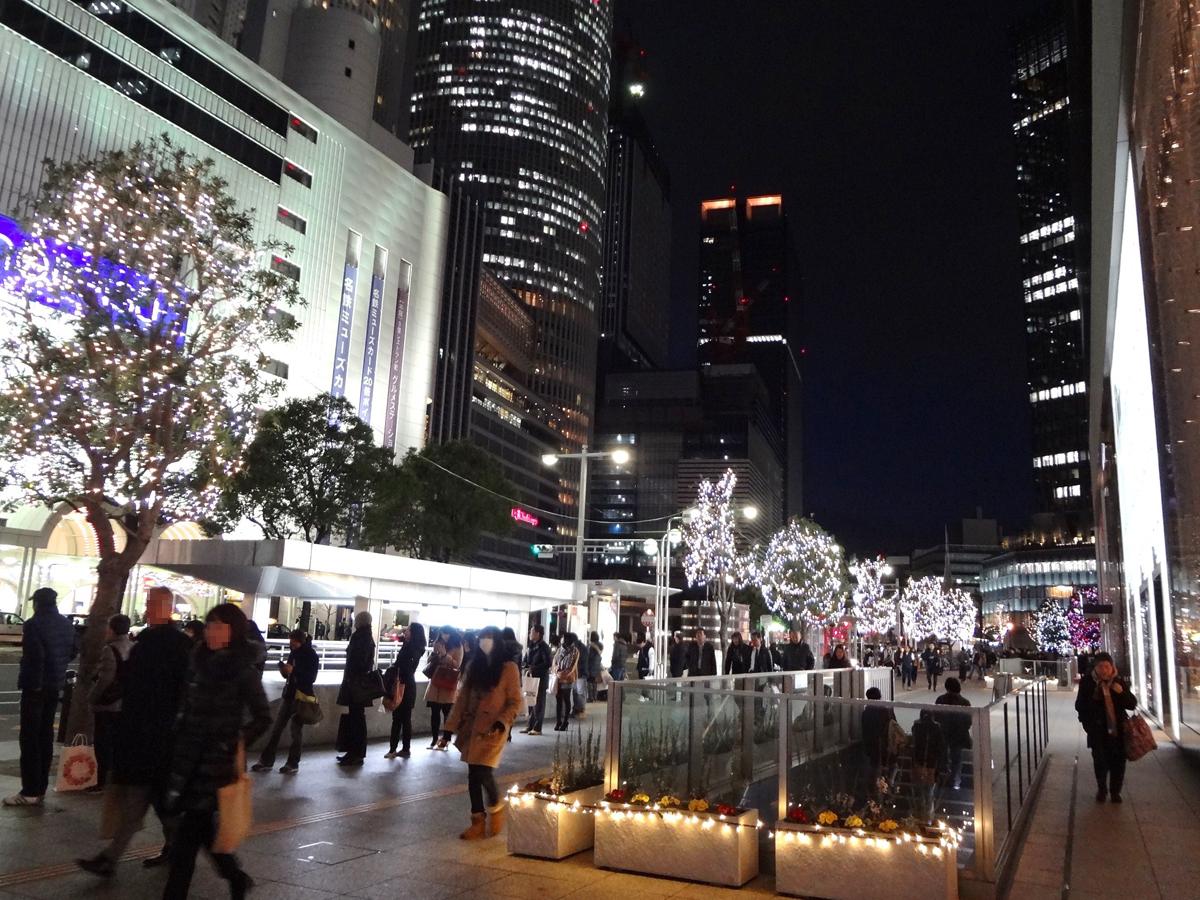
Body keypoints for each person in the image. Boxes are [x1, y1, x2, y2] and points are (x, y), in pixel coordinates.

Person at [76, 587, 192, 874]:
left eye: (154, 603)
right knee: (147, 802)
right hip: (154, 736)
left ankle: (195, 854)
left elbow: (147, 689)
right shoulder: (161, 642)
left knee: (154, 803)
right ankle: (113, 858)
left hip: (152, 737)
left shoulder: (157, 644)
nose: (149, 607)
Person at [160, 603, 271, 899]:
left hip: (216, 765)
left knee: (187, 839)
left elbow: (263, 716)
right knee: (204, 834)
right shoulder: (197, 662)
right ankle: (235, 876)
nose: (211, 632)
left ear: (233, 632)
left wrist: (234, 741)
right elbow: (185, 705)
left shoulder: (242, 670)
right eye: (209, 626)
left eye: (219, 626)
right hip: (187, 759)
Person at [444, 625, 523, 840]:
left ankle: (496, 806)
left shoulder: (509, 669)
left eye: (489, 637)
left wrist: (502, 721)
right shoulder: (474, 666)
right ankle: (477, 821)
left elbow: (515, 701)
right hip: (472, 729)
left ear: (497, 641)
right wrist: (449, 728)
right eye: (482, 637)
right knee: (473, 775)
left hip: (492, 729)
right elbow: (461, 700)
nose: (484, 641)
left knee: (482, 772)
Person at [5, 588, 75, 807]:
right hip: (55, 685)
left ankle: (30, 790)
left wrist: (33, 683)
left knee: (29, 738)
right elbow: (73, 651)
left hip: (35, 687)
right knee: (45, 736)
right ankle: (40, 787)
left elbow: (35, 656)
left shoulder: (34, 624)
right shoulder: (66, 624)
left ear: (38, 603)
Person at [252, 630, 320, 774]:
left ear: (300, 641)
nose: (291, 645)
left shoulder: (311, 655)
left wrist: (294, 670)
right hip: (289, 694)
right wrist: (285, 671)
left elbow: (311, 677)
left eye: (293, 642)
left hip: (302, 697)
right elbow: (290, 674)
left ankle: (292, 763)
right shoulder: (293, 653)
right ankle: (267, 761)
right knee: (277, 728)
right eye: (290, 642)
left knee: (296, 731)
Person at [1075, 651, 1138, 802]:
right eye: (1101, 666)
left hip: (1118, 730)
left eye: (1107, 666)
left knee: (1118, 762)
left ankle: (1115, 792)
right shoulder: (1088, 683)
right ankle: (1102, 789)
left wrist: (1121, 692)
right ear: (1095, 668)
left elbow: (1132, 704)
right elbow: (1080, 706)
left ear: (1112, 667)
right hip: (1097, 730)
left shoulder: (1118, 682)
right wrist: (1087, 725)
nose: (1104, 670)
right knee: (1100, 761)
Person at [89, 614, 134, 790]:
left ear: (113, 629)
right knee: (117, 742)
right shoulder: (133, 646)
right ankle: (115, 778)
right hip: (124, 702)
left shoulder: (110, 649)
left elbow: (104, 679)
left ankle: (102, 781)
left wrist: (92, 697)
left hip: (108, 703)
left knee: (102, 743)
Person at [335, 610, 376, 767]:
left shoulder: (361, 638)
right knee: (357, 718)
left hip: (355, 685)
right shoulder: (366, 637)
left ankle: (355, 753)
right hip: (358, 685)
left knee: (356, 718)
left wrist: (351, 677)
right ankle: (354, 752)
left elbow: (358, 661)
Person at [384, 623, 426, 759]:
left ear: (413, 633)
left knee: (399, 719)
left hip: (403, 685)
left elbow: (405, 666)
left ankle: (394, 749)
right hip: (407, 685)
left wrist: (395, 669)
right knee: (403, 719)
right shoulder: (414, 647)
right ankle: (403, 749)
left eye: (408, 630)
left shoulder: (412, 648)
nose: (405, 631)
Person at [427, 628, 465, 750]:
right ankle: (434, 739)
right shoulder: (438, 644)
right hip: (436, 682)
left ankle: (446, 739)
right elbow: (431, 661)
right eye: (443, 633)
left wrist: (444, 655)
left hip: (448, 682)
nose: (444, 635)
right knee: (434, 712)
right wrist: (434, 655)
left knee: (447, 713)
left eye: (447, 633)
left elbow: (457, 664)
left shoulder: (458, 646)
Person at [935, 677, 973, 790]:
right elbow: (968, 721)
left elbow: (937, 717)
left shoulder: (940, 700)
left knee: (943, 758)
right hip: (958, 736)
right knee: (957, 759)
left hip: (943, 735)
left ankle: (942, 780)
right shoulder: (965, 702)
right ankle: (955, 782)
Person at [909, 710, 946, 822]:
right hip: (931, 763)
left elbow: (914, 742)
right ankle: (928, 816)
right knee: (929, 790)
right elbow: (941, 747)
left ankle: (919, 813)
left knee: (920, 789)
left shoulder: (917, 727)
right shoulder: (937, 728)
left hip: (918, 762)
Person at [860, 686, 896, 788]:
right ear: (880, 696)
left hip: (872, 747)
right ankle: (889, 785)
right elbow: (894, 726)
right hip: (886, 746)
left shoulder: (866, 713)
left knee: (875, 768)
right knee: (892, 766)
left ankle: (876, 790)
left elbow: (865, 731)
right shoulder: (887, 710)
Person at [520, 625, 551, 735]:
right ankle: (529, 725)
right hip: (531, 678)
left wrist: (534, 667)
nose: (530, 634)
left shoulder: (544, 647)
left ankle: (538, 728)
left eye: (532, 632)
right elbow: (525, 660)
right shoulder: (530, 646)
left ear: (538, 633)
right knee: (530, 701)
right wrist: (524, 665)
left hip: (540, 679)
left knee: (538, 703)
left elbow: (548, 663)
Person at [552, 632, 581, 731]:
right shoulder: (560, 649)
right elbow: (554, 662)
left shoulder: (575, 651)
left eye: (563, 638)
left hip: (568, 679)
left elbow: (572, 667)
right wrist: (557, 671)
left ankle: (565, 721)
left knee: (566, 699)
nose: (561, 639)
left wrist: (563, 674)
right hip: (558, 678)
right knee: (558, 700)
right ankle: (558, 721)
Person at [584, 631, 604, 704]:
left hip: (590, 665)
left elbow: (588, 656)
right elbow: (600, 654)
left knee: (589, 682)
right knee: (595, 682)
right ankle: (595, 697)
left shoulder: (590, 646)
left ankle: (590, 697)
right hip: (597, 666)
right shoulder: (601, 645)